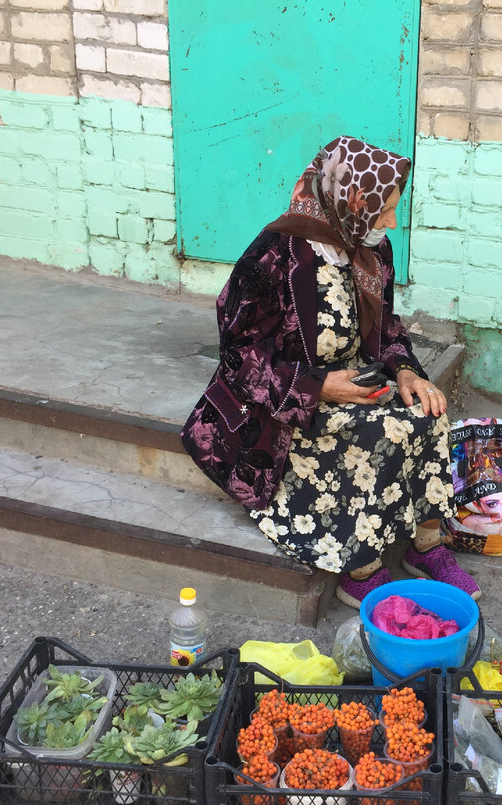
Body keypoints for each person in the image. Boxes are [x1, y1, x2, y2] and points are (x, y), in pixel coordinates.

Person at [181, 136, 480, 608]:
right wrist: (319, 386)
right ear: (351, 201)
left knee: (427, 411)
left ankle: (427, 545)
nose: (392, 223)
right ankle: (359, 567)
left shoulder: (369, 251)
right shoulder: (274, 256)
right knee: (375, 434)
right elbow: (240, 356)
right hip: (282, 405)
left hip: (351, 382)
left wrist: (405, 371)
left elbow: (386, 330)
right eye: (383, 210)